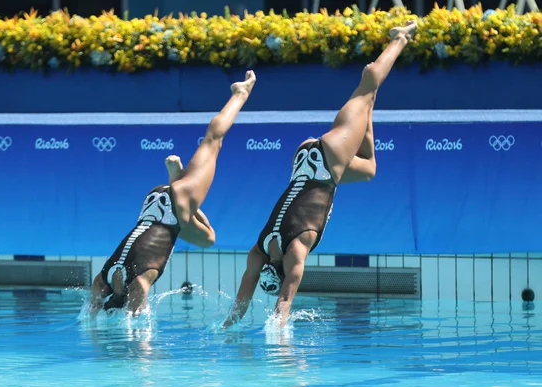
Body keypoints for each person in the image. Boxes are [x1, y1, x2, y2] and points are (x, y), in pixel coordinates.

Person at [223, 22, 418, 328]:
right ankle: (369, 103)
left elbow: (282, 306)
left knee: (367, 83)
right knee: (369, 168)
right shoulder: (258, 251)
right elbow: (239, 306)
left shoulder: (295, 254)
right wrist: (227, 329)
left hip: (327, 161)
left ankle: (400, 39)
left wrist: (277, 341)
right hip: (305, 162)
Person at [87, 71, 257, 318]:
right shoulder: (102, 280)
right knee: (208, 239)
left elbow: (136, 330)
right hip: (152, 206)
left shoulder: (137, 285)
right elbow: (89, 316)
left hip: (174, 210)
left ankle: (241, 94)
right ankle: (175, 181)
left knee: (213, 141)